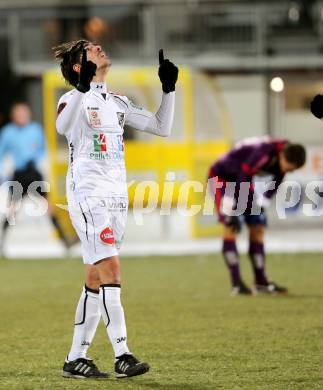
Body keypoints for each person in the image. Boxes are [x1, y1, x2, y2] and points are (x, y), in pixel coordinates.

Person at [53, 40, 178, 379]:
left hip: (115, 198)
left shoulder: (117, 102)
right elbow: (63, 128)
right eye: (90, 49)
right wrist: (81, 87)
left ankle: (75, 358)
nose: (100, 48)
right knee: (111, 267)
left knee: (95, 276)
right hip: (88, 196)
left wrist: (169, 90)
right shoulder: (72, 99)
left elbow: (160, 127)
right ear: (79, 66)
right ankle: (122, 353)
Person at [208, 137, 306, 296]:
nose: (290, 171)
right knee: (231, 226)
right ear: (282, 157)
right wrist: (232, 208)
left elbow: (277, 178)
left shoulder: (285, 152)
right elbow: (243, 173)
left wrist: (262, 202)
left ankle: (261, 282)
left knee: (257, 227)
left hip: (243, 182)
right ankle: (236, 283)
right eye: (290, 168)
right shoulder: (264, 152)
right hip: (222, 178)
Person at [0, 102, 71, 256]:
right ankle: (2, 243)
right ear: (13, 116)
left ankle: (64, 240)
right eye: (18, 114)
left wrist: (44, 170)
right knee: (12, 208)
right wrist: (3, 175)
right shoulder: (8, 132)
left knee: (48, 206)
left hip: (34, 173)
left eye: (24, 113)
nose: (21, 116)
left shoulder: (35, 130)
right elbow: (1, 153)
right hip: (19, 174)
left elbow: (42, 152)